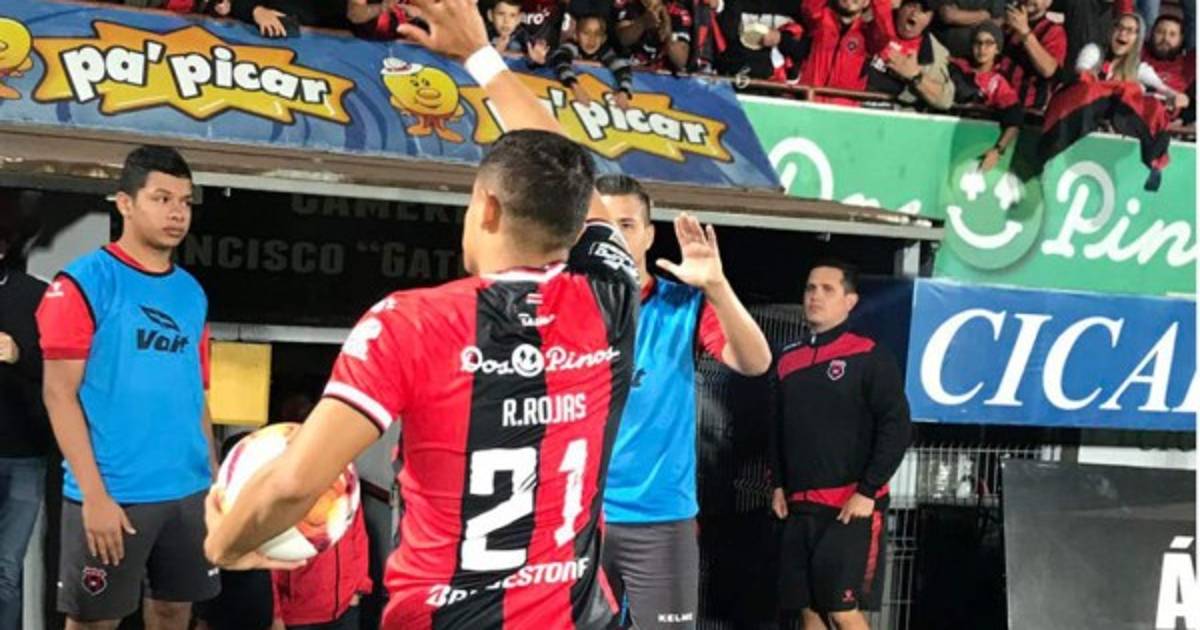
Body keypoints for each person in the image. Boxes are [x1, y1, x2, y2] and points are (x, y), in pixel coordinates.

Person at [203, 1, 641, 628]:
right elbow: (572, 171)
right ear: (576, 225)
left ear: (487, 208)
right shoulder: (613, 296)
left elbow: (294, 485)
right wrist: (483, 57)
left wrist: (223, 545)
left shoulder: (410, 324)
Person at [36, 146, 222, 630]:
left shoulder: (191, 292)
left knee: (174, 613)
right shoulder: (82, 283)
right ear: (125, 203)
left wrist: (214, 480)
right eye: (162, 198)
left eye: (185, 201)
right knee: (95, 622)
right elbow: (58, 394)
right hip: (114, 493)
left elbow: (196, 394)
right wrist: (94, 496)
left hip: (188, 492)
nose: (177, 213)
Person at [594, 174, 771, 629]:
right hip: (580, 520)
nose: (615, 236)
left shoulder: (683, 305)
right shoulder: (565, 306)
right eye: (603, 225)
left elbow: (756, 362)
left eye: (627, 224)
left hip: (662, 521)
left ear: (649, 234)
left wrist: (717, 287)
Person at [770, 260, 911, 630]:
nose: (815, 296)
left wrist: (867, 491)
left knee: (842, 610)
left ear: (850, 301)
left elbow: (897, 426)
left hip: (849, 508)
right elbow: (777, 427)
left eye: (827, 289)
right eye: (810, 288)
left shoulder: (869, 355)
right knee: (808, 610)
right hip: (800, 508)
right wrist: (778, 484)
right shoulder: (787, 358)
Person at [0, 201, 50, 630]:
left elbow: (63, 371)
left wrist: (20, 355)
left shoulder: (36, 296)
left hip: (23, 454)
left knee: (6, 570)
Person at [949, 22, 1025, 171]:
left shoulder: (997, 82)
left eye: (989, 43)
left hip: (974, 147)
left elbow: (1015, 121)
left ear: (997, 49)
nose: (982, 48)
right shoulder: (956, 67)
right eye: (978, 43)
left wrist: (998, 150)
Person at [549, 15, 635, 108]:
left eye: (597, 34)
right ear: (575, 35)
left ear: (603, 38)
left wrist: (624, 92)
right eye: (586, 33)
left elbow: (622, 68)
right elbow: (560, 59)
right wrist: (575, 86)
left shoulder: (605, 52)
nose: (591, 39)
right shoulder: (572, 47)